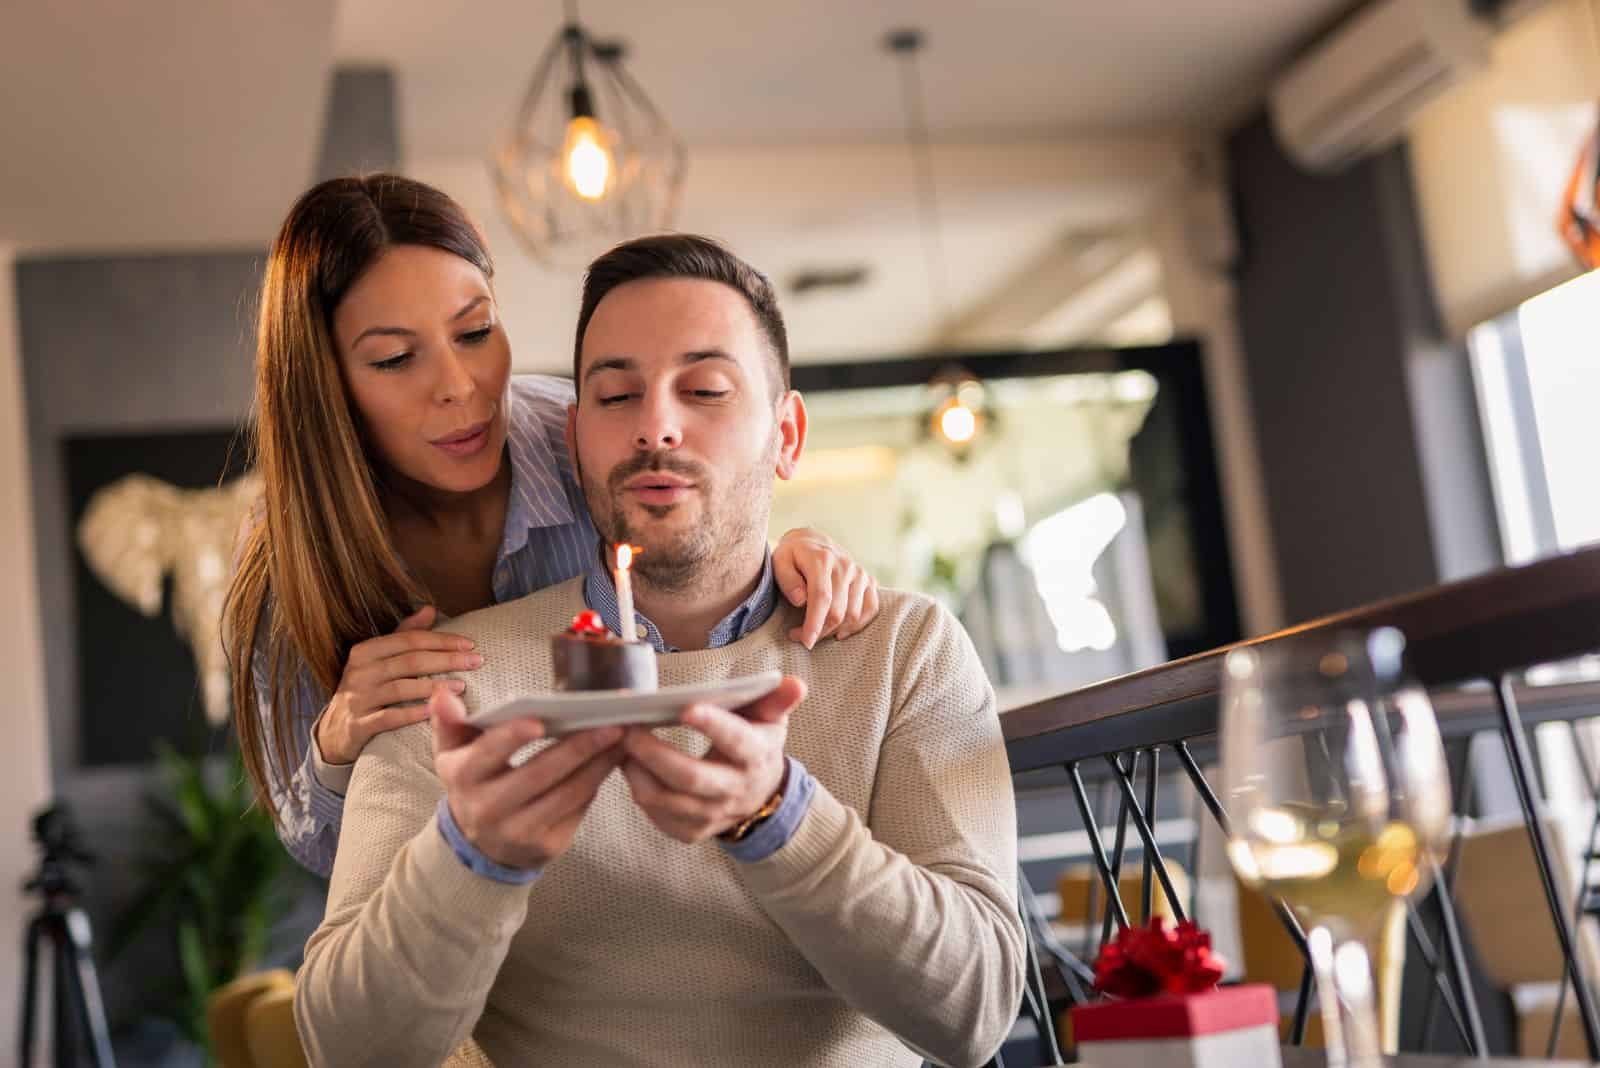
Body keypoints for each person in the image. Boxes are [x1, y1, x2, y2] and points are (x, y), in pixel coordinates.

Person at [295, 234, 1024, 1068]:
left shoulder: (903, 651)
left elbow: (976, 1013)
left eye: (705, 389)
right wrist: (472, 858)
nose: (656, 428)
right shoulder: (450, 683)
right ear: (574, 442)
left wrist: (780, 817)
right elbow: (344, 1051)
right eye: (616, 397)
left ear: (787, 435)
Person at [222, 175, 881, 879]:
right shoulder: (290, 557)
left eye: (476, 331)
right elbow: (316, 848)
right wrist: (337, 746)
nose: (460, 384)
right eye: (394, 358)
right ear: (325, 384)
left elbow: (710, 536)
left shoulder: (590, 432)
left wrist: (787, 551)